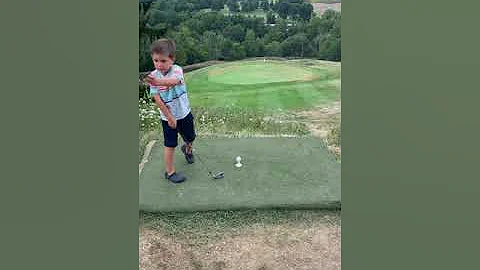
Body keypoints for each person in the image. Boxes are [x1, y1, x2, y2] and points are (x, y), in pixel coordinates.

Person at [144, 38, 195, 184]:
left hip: (184, 113)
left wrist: (156, 82)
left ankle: (188, 149)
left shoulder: (177, 70)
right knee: (170, 144)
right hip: (168, 118)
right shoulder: (153, 76)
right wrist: (169, 117)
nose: (159, 65)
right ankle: (170, 172)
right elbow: (157, 99)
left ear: (172, 59)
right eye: (155, 61)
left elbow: (174, 81)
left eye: (163, 61)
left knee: (190, 137)